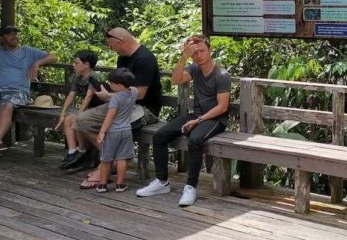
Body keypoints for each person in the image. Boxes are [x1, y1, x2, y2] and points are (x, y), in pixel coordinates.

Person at [137, 35, 231, 207]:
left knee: (195, 140)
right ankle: (161, 181)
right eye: (195, 53)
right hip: (196, 115)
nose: (199, 56)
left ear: (210, 51)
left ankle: (190, 187)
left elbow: (222, 107)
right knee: (160, 136)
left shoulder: (222, 74)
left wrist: (199, 120)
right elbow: (175, 80)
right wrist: (184, 57)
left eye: (202, 51)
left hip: (216, 119)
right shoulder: (194, 68)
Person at [74, 28, 161, 189]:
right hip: (120, 103)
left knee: (113, 128)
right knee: (82, 121)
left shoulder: (144, 59)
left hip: (144, 109)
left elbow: (140, 94)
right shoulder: (122, 58)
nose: (110, 49)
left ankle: (105, 164)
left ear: (120, 42)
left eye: (111, 45)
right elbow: (119, 87)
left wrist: (108, 96)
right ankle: (110, 159)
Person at [0, 26, 57, 165]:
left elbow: (53, 56)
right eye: (9, 34)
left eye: (15, 33)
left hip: (17, 90)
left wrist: (37, 62)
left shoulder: (28, 51)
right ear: (1, 38)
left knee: (7, 106)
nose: (14, 36)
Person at [56, 50, 103, 170]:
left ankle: (82, 150)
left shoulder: (94, 77)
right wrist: (63, 113)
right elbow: (71, 95)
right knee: (67, 120)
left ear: (86, 64)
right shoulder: (78, 78)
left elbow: (88, 97)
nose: (73, 65)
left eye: (76, 63)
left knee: (77, 120)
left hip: (97, 109)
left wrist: (79, 115)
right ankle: (72, 152)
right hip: (87, 109)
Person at [95, 68, 138, 193]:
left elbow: (110, 116)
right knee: (122, 158)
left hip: (113, 131)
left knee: (106, 158)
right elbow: (133, 88)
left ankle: (102, 184)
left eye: (111, 83)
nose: (109, 84)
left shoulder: (115, 99)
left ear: (118, 85)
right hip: (126, 130)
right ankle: (120, 184)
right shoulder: (133, 92)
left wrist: (102, 131)